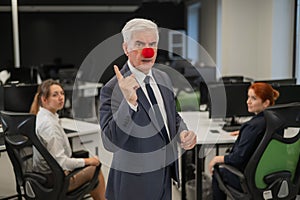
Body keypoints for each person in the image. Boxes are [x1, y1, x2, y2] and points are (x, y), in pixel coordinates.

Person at [99, 18, 197, 200]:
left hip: (165, 177)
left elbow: (172, 116)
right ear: (125, 48)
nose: (148, 50)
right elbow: (109, 142)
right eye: (139, 44)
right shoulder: (112, 88)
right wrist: (128, 103)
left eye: (152, 44)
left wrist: (183, 132)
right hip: (133, 184)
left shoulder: (163, 78)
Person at [30, 79, 106, 200]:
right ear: (44, 99)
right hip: (55, 181)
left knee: (90, 165)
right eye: (55, 95)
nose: (61, 98)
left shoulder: (41, 116)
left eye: (62, 93)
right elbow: (62, 162)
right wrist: (88, 161)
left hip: (44, 178)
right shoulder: (50, 126)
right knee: (95, 167)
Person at [208, 82, 279, 199]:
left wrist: (217, 159)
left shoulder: (252, 126)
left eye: (253, 98)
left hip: (248, 181)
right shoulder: (276, 122)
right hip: (271, 179)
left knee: (218, 171)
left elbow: (237, 159)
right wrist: (244, 133)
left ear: (266, 103)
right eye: (248, 97)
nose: (248, 101)